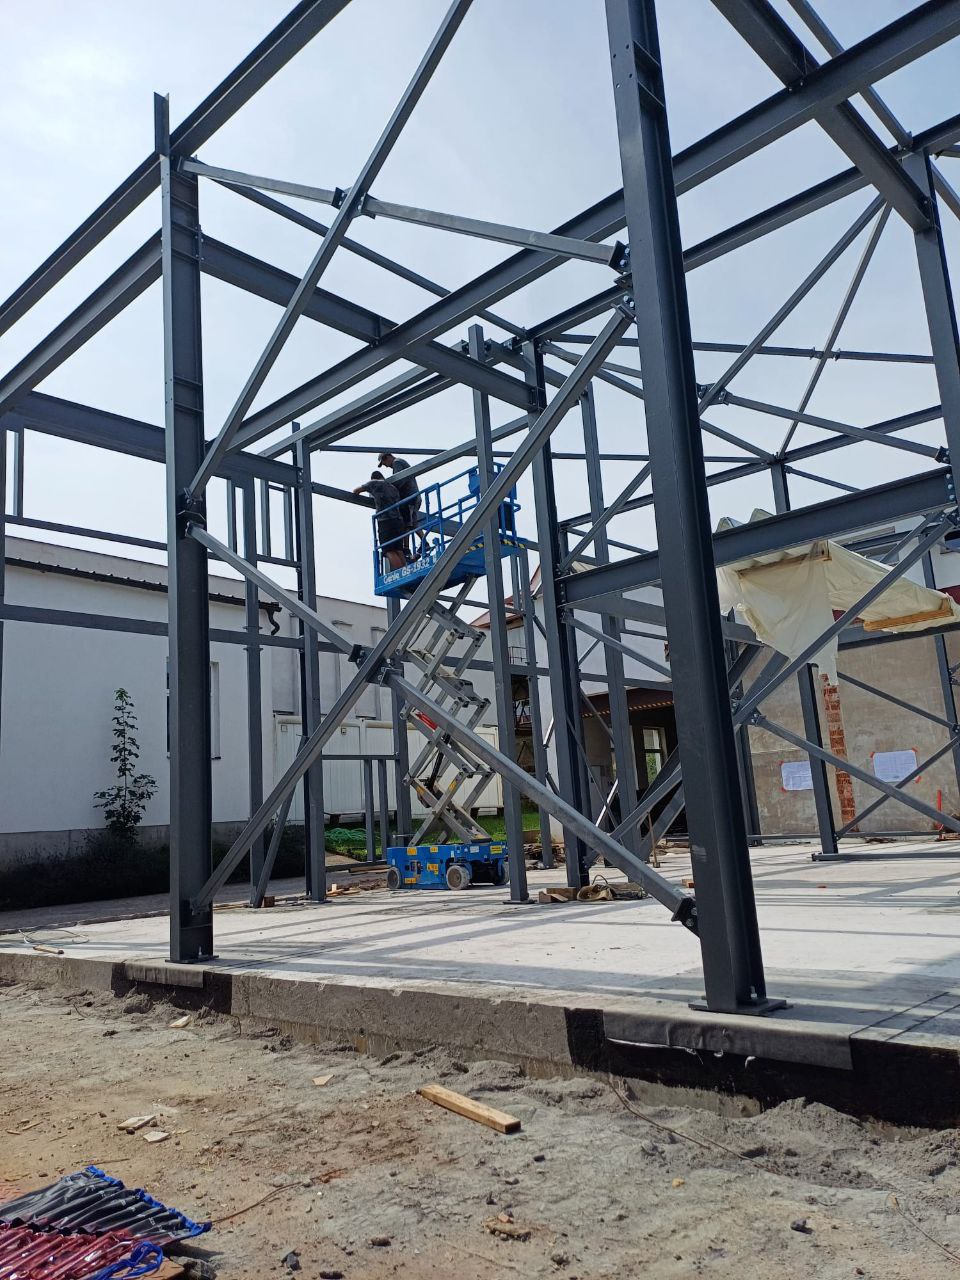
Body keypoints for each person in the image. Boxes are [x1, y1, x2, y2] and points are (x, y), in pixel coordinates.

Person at [354, 471, 406, 570]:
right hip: (398, 520)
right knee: (398, 549)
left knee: (388, 549)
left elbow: (356, 491)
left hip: (386, 520)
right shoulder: (393, 488)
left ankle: (401, 572)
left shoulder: (374, 483)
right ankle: (406, 570)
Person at [378, 451, 423, 553]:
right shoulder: (399, 462)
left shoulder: (397, 463)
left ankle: (423, 542)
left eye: (384, 463)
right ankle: (407, 548)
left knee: (410, 523)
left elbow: (399, 481)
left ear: (388, 457)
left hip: (409, 497)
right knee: (408, 523)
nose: (386, 466)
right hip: (411, 497)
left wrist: (388, 491)